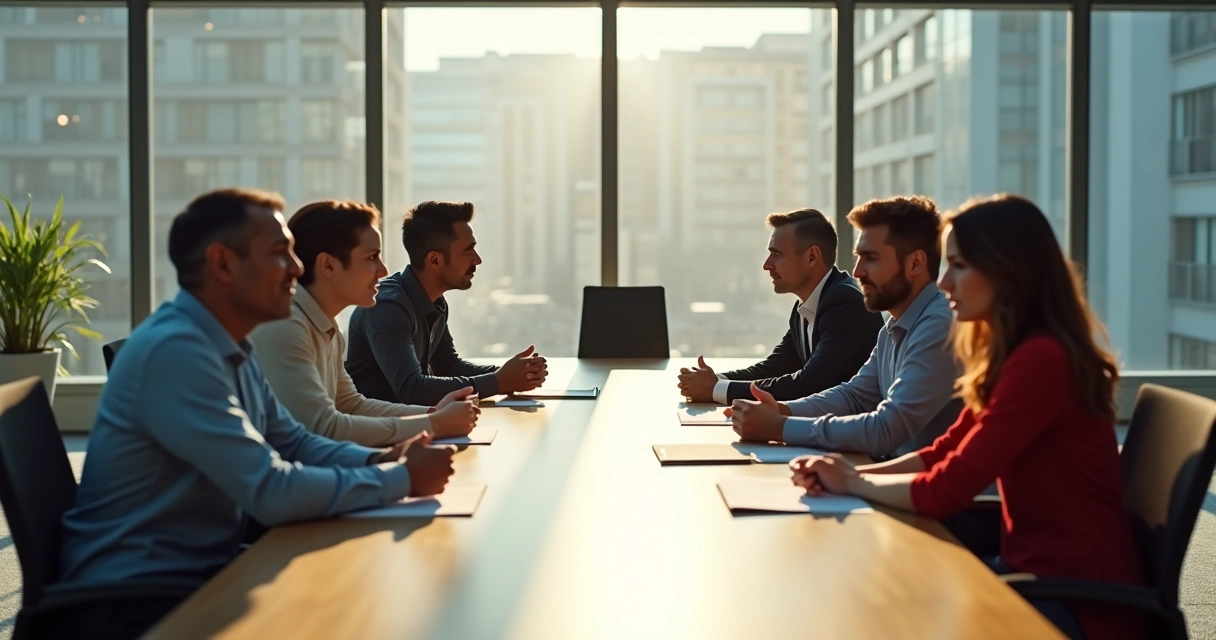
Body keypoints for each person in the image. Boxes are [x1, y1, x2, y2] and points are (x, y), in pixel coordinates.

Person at [55, 188, 457, 640]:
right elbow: (269, 489)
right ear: (223, 264)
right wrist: (400, 478)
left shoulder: (232, 343)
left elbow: (293, 441)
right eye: (279, 252)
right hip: (136, 603)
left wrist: (380, 460)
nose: (297, 267)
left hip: (201, 571)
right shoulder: (176, 352)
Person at [790, 194, 1144, 640]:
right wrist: (849, 475)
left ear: (1005, 272)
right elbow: (942, 452)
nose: (944, 283)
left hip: (1079, 605)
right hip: (1031, 576)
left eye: (959, 267)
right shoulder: (1011, 355)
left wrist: (853, 482)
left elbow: (946, 488)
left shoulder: (1041, 361)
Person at [728, 196, 961, 460]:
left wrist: (781, 427)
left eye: (871, 258)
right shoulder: (894, 326)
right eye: (858, 257)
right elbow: (854, 396)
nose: (858, 271)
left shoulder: (940, 325)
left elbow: (886, 428)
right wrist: (782, 411)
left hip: (928, 484)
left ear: (915, 263)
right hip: (893, 474)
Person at [249, 200, 479, 447]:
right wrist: (434, 424)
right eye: (372, 257)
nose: (383, 270)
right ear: (328, 265)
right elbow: (323, 427)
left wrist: (433, 413)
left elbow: (351, 405)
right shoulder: (286, 327)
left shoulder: (326, 325)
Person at [345, 200, 548, 405]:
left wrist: (513, 373)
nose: (477, 259)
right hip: (376, 424)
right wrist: (498, 381)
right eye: (468, 250)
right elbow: (413, 390)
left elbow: (447, 366)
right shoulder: (387, 307)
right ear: (434, 260)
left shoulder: (435, 301)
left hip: (414, 420)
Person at [676, 208, 882, 403]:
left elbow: (810, 384)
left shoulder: (845, 303)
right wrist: (714, 380)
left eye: (777, 254)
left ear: (812, 257)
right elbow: (775, 368)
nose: (767, 265)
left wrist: (716, 389)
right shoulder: (806, 306)